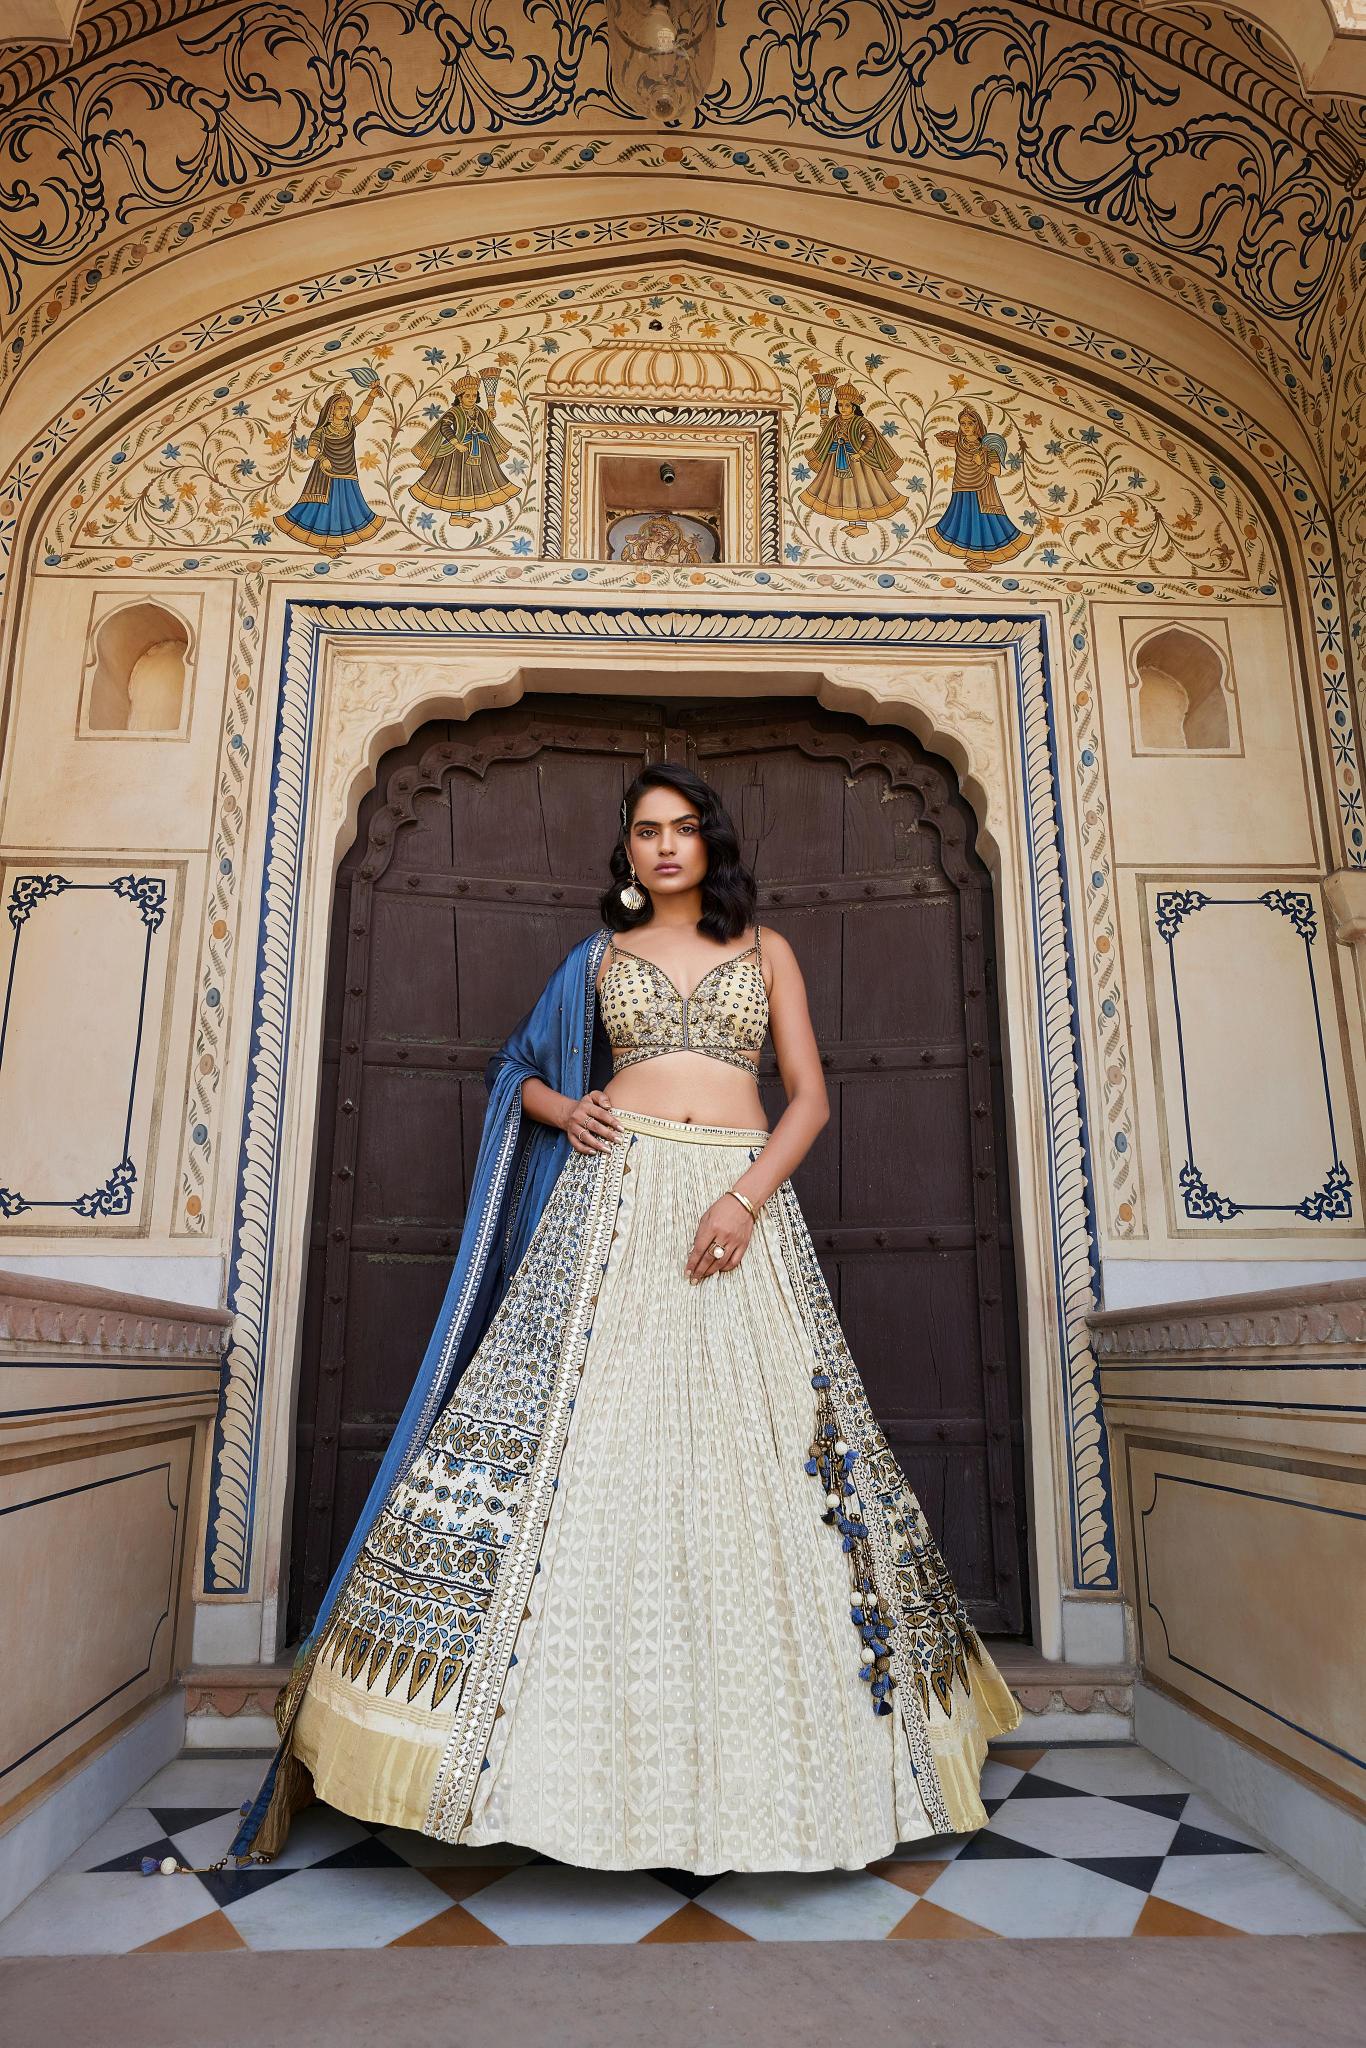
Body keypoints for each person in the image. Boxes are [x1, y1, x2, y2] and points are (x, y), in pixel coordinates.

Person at [227, 764, 1019, 1874]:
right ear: (628, 848)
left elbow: (811, 1097)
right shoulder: (595, 959)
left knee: (766, 1453)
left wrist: (744, 1198)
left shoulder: (768, 950)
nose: (663, 846)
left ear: (710, 842)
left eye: (682, 828)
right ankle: (537, 1761)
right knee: (592, 1445)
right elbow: (515, 1074)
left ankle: (807, 1765)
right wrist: (568, 1103)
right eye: (645, 831)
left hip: (736, 1207)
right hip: (613, 1207)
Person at [274, 383, 385, 555]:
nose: (343, 411)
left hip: (347, 472)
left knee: (345, 508)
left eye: (346, 408)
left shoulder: (349, 426)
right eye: (339, 407)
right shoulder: (322, 431)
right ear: (331, 410)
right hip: (326, 475)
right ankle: (324, 545)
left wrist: (371, 397)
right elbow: (311, 450)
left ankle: (334, 542)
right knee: (324, 509)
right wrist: (322, 458)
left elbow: (361, 415)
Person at [798, 382, 908, 536]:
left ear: (854, 407)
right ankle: (852, 523)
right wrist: (826, 423)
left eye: (847, 405)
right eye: (840, 404)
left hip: (858, 462)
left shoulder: (860, 422)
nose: (843, 408)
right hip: (836, 459)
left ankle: (862, 525)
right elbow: (830, 434)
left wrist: (861, 452)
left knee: (861, 491)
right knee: (845, 492)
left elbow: (871, 437)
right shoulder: (835, 421)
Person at [930, 404, 1030, 568]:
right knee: (964, 524)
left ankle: (984, 560)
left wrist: (981, 464)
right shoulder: (959, 443)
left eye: (970, 423)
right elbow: (947, 441)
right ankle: (974, 556)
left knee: (984, 525)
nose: (967, 427)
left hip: (982, 490)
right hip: (962, 488)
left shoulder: (987, 446)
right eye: (963, 423)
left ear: (977, 425)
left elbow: (996, 471)